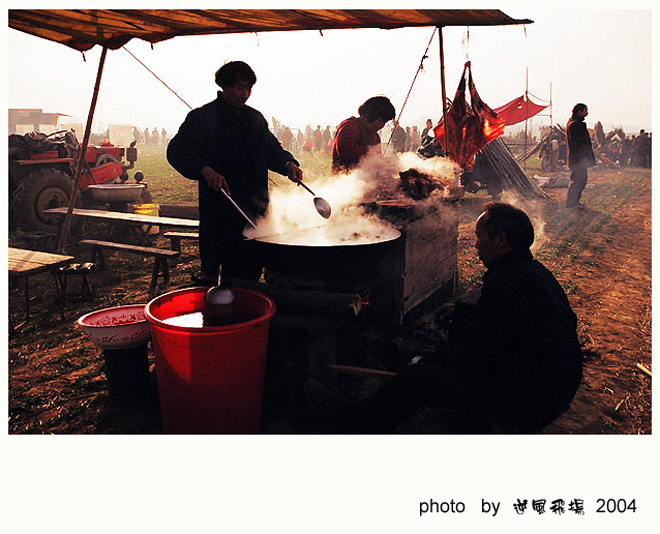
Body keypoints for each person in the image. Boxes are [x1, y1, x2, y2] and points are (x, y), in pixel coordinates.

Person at [305, 202, 583, 433]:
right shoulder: (532, 272)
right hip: (553, 385)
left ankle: (346, 422)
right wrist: (463, 312)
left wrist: (428, 363)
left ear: (501, 240)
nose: (474, 244)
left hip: (533, 399)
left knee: (422, 377)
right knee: (434, 361)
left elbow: (475, 353)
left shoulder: (508, 282)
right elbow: (512, 323)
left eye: (478, 235)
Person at [167, 60, 303, 283]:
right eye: (240, 88)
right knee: (220, 277)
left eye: (249, 88)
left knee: (251, 269)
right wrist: (204, 169)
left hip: (256, 208)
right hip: (221, 211)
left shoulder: (255, 119)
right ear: (225, 86)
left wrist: (288, 164)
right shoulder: (203, 118)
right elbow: (177, 150)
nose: (245, 94)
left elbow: (270, 149)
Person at [331, 96, 395, 174]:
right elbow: (345, 150)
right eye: (381, 121)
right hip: (345, 178)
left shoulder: (375, 136)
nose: (382, 126)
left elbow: (376, 161)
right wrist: (371, 153)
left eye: (385, 122)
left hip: (367, 180)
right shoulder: (350, 126)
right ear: (369, 116)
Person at [565, 103, 596, 208]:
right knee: (577, 180)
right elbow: (578, 144)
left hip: (580, 159)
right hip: (578, 159)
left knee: (581, 180)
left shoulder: (576, 123)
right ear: (580, 111)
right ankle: (571, 202)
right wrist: (584, 157)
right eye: (585, 110)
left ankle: (575, 201)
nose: (587, 113)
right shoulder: (574, 124)